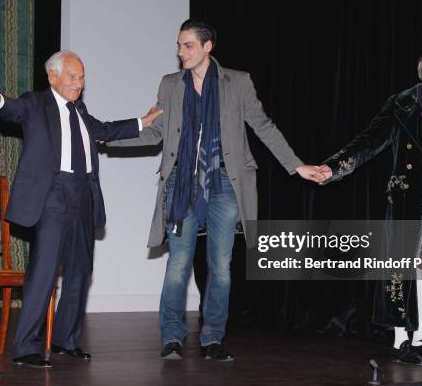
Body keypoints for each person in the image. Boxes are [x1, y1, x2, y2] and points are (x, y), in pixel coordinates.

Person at [109, 19, 325, 361]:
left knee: (220, 266)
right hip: (182, 183)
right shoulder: (170, 85)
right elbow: (155, 133)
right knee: (178, 263)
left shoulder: (237, 83)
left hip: (225, 183)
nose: (181, 52)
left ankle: (212, 338)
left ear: (207, 46)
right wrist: (107, 137)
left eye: (188, 46)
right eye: (179, 46)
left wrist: (297, 165)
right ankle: (172, 337)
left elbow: (262, 126)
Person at [0, 50, 162, 368]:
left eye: (82, 77)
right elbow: (12, 110)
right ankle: (25, 347)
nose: (79, 83)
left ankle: (65, 339)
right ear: (53, 77)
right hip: (53, 197)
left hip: (84, 196)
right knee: (45, 272)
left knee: (80, 271)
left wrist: (141, 122)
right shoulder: (37, 103)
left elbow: (103, 130)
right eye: (73, 77)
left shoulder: (80, 110)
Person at [317, 44, 422, 365]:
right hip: (414, 193)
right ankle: (402, 340)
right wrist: (334, 167)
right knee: (402, 267)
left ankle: (421, 337)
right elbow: (369, 140)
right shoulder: (404, 104)